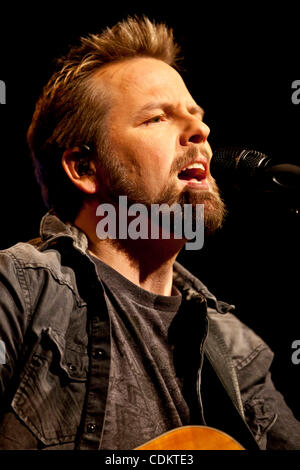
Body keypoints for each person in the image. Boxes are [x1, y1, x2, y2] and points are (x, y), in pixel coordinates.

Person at [0, 15, 299, 451]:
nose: (201, 131)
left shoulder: (236, 349)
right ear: (84, 168)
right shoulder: (20, 291)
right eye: (157, 118)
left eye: (197, 116)